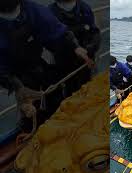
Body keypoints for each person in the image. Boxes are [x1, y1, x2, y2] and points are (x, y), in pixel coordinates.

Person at [0, 0, 93, 136]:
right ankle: (30, 130)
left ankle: (59, 126)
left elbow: (57, 30)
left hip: (37, 63)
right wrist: (17, 87)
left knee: (55, 93)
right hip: (13, 74)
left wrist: (76, 47)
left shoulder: (32, 10)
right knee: (30, 111)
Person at [49, 0, 101, 97]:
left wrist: (90, 48)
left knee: (89, 87)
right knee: (69, 91)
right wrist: (73, 48)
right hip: (65, 61)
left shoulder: (84, 8)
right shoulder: (50, 12)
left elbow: (94, 31)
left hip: (86, 58)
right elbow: (52, 39)